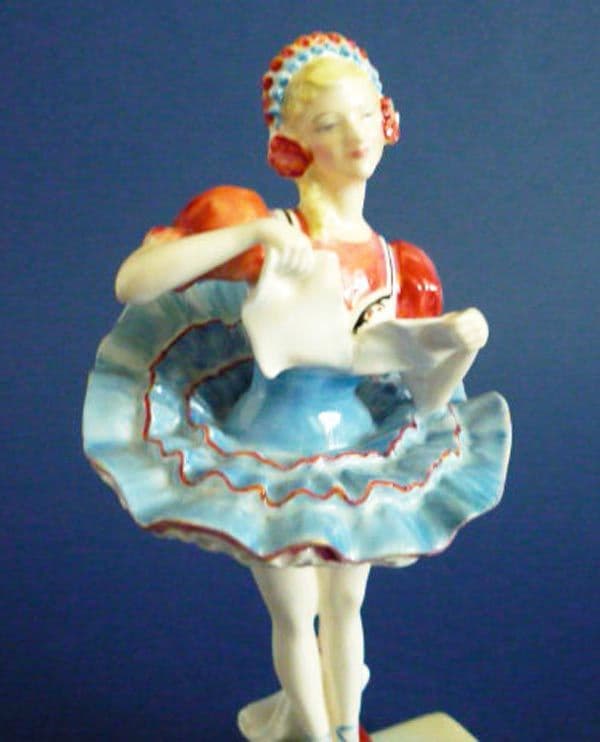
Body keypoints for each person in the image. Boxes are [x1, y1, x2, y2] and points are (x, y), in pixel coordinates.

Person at [83, 32, 511, 742]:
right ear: (291, 145)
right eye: (329, 124)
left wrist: (457, 347)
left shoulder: (398, 264)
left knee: (346, 605)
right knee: (295, 613)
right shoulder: (269, 230)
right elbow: (134, 281)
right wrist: (246, 235)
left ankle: (345, 729)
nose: (354, 137)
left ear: (388, 120)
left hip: (353, 451)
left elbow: (427, 399)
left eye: (364, 116)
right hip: (270, 455)